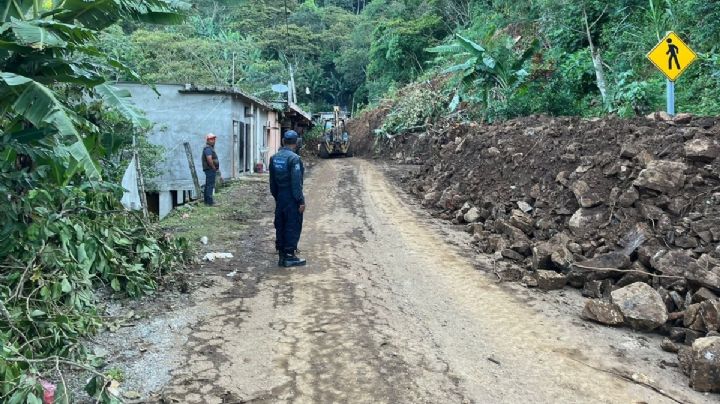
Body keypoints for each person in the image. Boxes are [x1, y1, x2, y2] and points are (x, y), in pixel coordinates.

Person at [269, 130, 306, 267]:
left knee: (281, 224)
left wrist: (278, 198)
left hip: (280, 196)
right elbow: (296, 184)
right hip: (291, 197)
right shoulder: (294, 159)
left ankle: (282, 255)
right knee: (292, 224)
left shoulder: (274, 158)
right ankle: (290, 256)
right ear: (296, 143)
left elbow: (272, 183)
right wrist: (300, 200)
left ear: (283, 141)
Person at [202, 133, 219, 206]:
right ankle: (210, 202)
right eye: (211, 139)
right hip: (210, 169)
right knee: (210, 185)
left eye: (214, 139)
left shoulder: (209, 148)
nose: (213, 141)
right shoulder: (208, 149)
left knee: (208, 185)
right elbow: (209, 159)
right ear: (208, 140)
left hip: (209, 169)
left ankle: (206, 201)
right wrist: (213, 167)